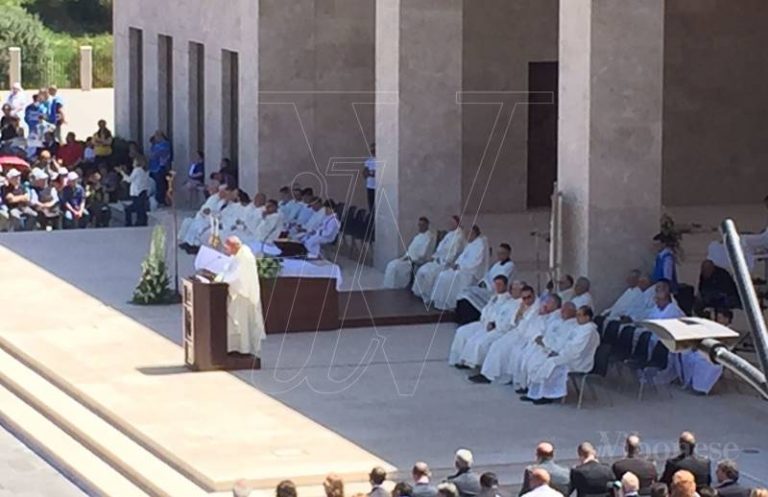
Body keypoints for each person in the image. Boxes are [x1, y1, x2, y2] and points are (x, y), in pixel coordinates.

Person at [522, 306, 600, 405]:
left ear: (587, 317)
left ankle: (547, 396)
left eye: (580, 315)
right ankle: (535, 393)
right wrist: (557, 351)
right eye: (577, 315)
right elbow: (566, 342)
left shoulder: (589, 331)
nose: (577, 318)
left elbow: (577, 349)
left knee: (552, 363)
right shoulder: (579, 328)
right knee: (542, 358)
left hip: (579, 361)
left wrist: (560, 354)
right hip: (567, 354)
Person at [468, 286, 541, 383]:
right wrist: (519, 313)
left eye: (529, 297)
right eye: (524, 298)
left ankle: (495, 375)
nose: (527, 300)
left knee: (502, 348)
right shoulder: (522, 305)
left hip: (526, 335)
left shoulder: (537, 306)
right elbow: (514, 321)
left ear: (533, 295)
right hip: (517, 331)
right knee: (496, 345)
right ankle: (488, 373)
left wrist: (522, 315)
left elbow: (529, 322)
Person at [459, 280, 529, 369]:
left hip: (504, 331)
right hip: (494, 327)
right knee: (474, 340)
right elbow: (498, 313)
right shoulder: (509, 301)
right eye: (513, 288)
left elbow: (513, 322)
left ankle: (482, 368)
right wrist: (492, 322)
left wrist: (498, 326)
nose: (514, 291)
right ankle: (469, 363)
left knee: (483, 344)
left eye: (517, 289)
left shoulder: (521, 304)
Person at [215, 237, 266, 357]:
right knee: (234, 324)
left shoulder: (245, 257)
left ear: (234, 246)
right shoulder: (237, 255)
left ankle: (244, 349)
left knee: (243, 324)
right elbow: (229, 269)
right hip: (237, 294)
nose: (227, 252)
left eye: (228, 249)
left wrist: (224, 280)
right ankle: (235, 347)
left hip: (244, 296)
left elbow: (239, 277)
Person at [514, 302, 578, 391]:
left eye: (565, 310)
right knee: (526, 358)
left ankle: (542, 393)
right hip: (543, 346)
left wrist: (546, 343)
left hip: (552, 350)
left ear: (573, 312)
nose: (562, 312)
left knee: (538, 364)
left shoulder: (573, 326)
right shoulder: (558, 321)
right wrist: (540, 339)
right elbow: (545, 331)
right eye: (562, 310)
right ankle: (527, 387)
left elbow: (562, 342)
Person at [449, 275, 511, 367]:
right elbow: (485, 310)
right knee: (461, 332)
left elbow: (503, 316)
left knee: (476, 341)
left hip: (494, 326)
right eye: (496, 284)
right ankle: (460, 359)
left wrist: (493, 323)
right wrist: (485, 319)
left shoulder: (508, 300)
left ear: (506, 286)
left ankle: (471, 363)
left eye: (500, 284)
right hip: (483, 322)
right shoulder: (494, 297)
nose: (497, 287)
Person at [455, 243, 515, 324]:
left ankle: (468, 319)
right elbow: (488, 276)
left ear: (508, 254)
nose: (499, 255)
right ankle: (460, 318)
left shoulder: (510, 265)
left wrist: (486, 285)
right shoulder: (497, 264)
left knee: (468, 294)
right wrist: (482, 282)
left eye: (502, 253)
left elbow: (500, 280)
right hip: (486, 286)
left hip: (493, 291)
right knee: (464, 291)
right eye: (498, 253)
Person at [431, 225, 489, 311]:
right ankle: (442, 303)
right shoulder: (470, 244)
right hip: (460, 269)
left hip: (469, 272)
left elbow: (475, 262)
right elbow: (462, 257)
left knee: (447, 278)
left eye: (469, 233)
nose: (467, 236)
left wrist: (460, 266)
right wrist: (456, 264)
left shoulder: (479, 245)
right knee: (442, 275)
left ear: (475, 234)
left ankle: (451, 303)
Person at [413, 216, 466, 302]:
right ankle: (421, 293)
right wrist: (435, 257)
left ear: (457, 223)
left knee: (430, 273)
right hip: (438, 259)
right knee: (422, 270)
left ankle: (429, 296)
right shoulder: (449, 234)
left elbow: (454, 253)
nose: (450, 225)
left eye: (452, 223)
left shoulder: (459, 237)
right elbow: (440, 248)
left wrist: (445, 260)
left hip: (446, 263)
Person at [677, 309, 729, 395]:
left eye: (721, 317)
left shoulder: (729, 331)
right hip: (704, 350)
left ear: (727, 319)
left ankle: (701, 388)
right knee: (686, 354)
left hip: (717, 354)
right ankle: (689, 382)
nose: (719, 320)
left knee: (703, 362)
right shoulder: (716, 328)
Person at [383, 217, 436, 289]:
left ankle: (395, 287)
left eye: (422, 225)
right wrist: (405, 256)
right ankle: (390, 287)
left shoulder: (429, 237)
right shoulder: (418, 236)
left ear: (427, 225)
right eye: (419, 225)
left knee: (395, 267)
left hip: (414, 261)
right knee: (391, 264)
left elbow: (423, 253)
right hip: (407, 258)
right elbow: (410, 249)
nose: (420, 227)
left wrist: (410, 258)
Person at [179, 185, 230, 250]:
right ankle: (188, 243)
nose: (220, 193)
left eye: (222, 192)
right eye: (220, 191)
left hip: (213, 219)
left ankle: (195, 245)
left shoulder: (225, 201)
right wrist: (206, 211)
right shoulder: (214, 198)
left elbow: (221, 213)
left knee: (198, 226)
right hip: (204, 217)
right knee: (188, 222)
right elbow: (206, 207)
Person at [118, 143, 151, 227]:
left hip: (136, 192)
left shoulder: (137, 170)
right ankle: (142, 221)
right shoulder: (145, 171)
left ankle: (130, 223)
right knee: (141, 208)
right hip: (143, 191)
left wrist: (122, 173)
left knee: (132, 208)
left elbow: (129, 180)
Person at [148, 130, 173, 206]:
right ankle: (159, 200)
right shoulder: (155, 145)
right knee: (157, 186)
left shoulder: (165, 145)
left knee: (161, 186)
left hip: (161, 167)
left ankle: (162, 201)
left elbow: (156, 154)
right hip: (154, 168)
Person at [364, 142, 376, 212]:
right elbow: (364, 173)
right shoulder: (369, 160)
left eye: (374, 148)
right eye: (371, 148)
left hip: (377, 187)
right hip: (370, 187)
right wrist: (371, 173)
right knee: (371, 207)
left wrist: (370, 173)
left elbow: (377, 174)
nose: (372, 150)